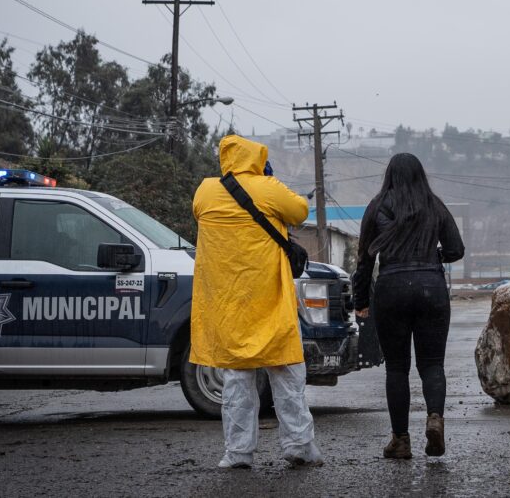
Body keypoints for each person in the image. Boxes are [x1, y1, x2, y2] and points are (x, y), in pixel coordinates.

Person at [190, 135, 323, 469]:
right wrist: (268, 179)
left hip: (229, 304)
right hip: (270, 300)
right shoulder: (267, 187)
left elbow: (199, 214)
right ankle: (299, 446)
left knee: (236, 381)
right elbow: (300, 210)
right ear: (257, 159)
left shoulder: (205, 192)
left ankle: (237, 453)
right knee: (287, 376)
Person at [353, 153, 465, 459]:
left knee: (397, 368)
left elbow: (364, 260)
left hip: (390, 289)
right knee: (432, 364)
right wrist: (431, 258)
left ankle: (400, 441)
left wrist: (360, 301)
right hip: (431, 287)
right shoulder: (434, 205)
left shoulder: (377, 206)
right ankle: (435, 418)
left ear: (389, 175)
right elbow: (456, 250)